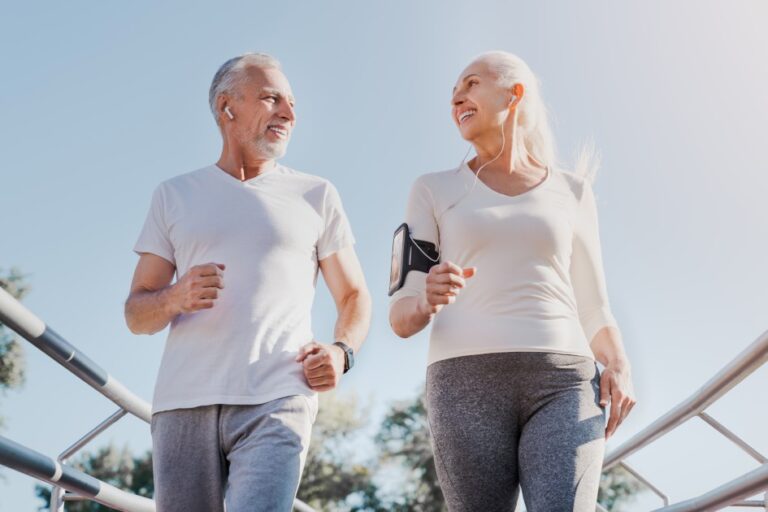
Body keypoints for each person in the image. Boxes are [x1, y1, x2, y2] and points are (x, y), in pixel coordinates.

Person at [388, 51, 636, 512]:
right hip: (464, 384)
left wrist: (619, 363)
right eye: (453, 92)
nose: (457, 97)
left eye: (471, 83)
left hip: (564, 381)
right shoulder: (432, 189)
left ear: (514, 93)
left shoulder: (573, 191)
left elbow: (594, 305)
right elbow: (401, 317)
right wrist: (426, 298)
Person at [124, 52, 371, 512]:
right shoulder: (174, 195)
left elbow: (355, 295)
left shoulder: (316, 194)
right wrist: (175, 297)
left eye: (292, 103)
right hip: (183, 403)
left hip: (278, 399)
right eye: (272, 98)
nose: (289, 114)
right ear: (227, 106)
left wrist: (342, 352)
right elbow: (136, 314)